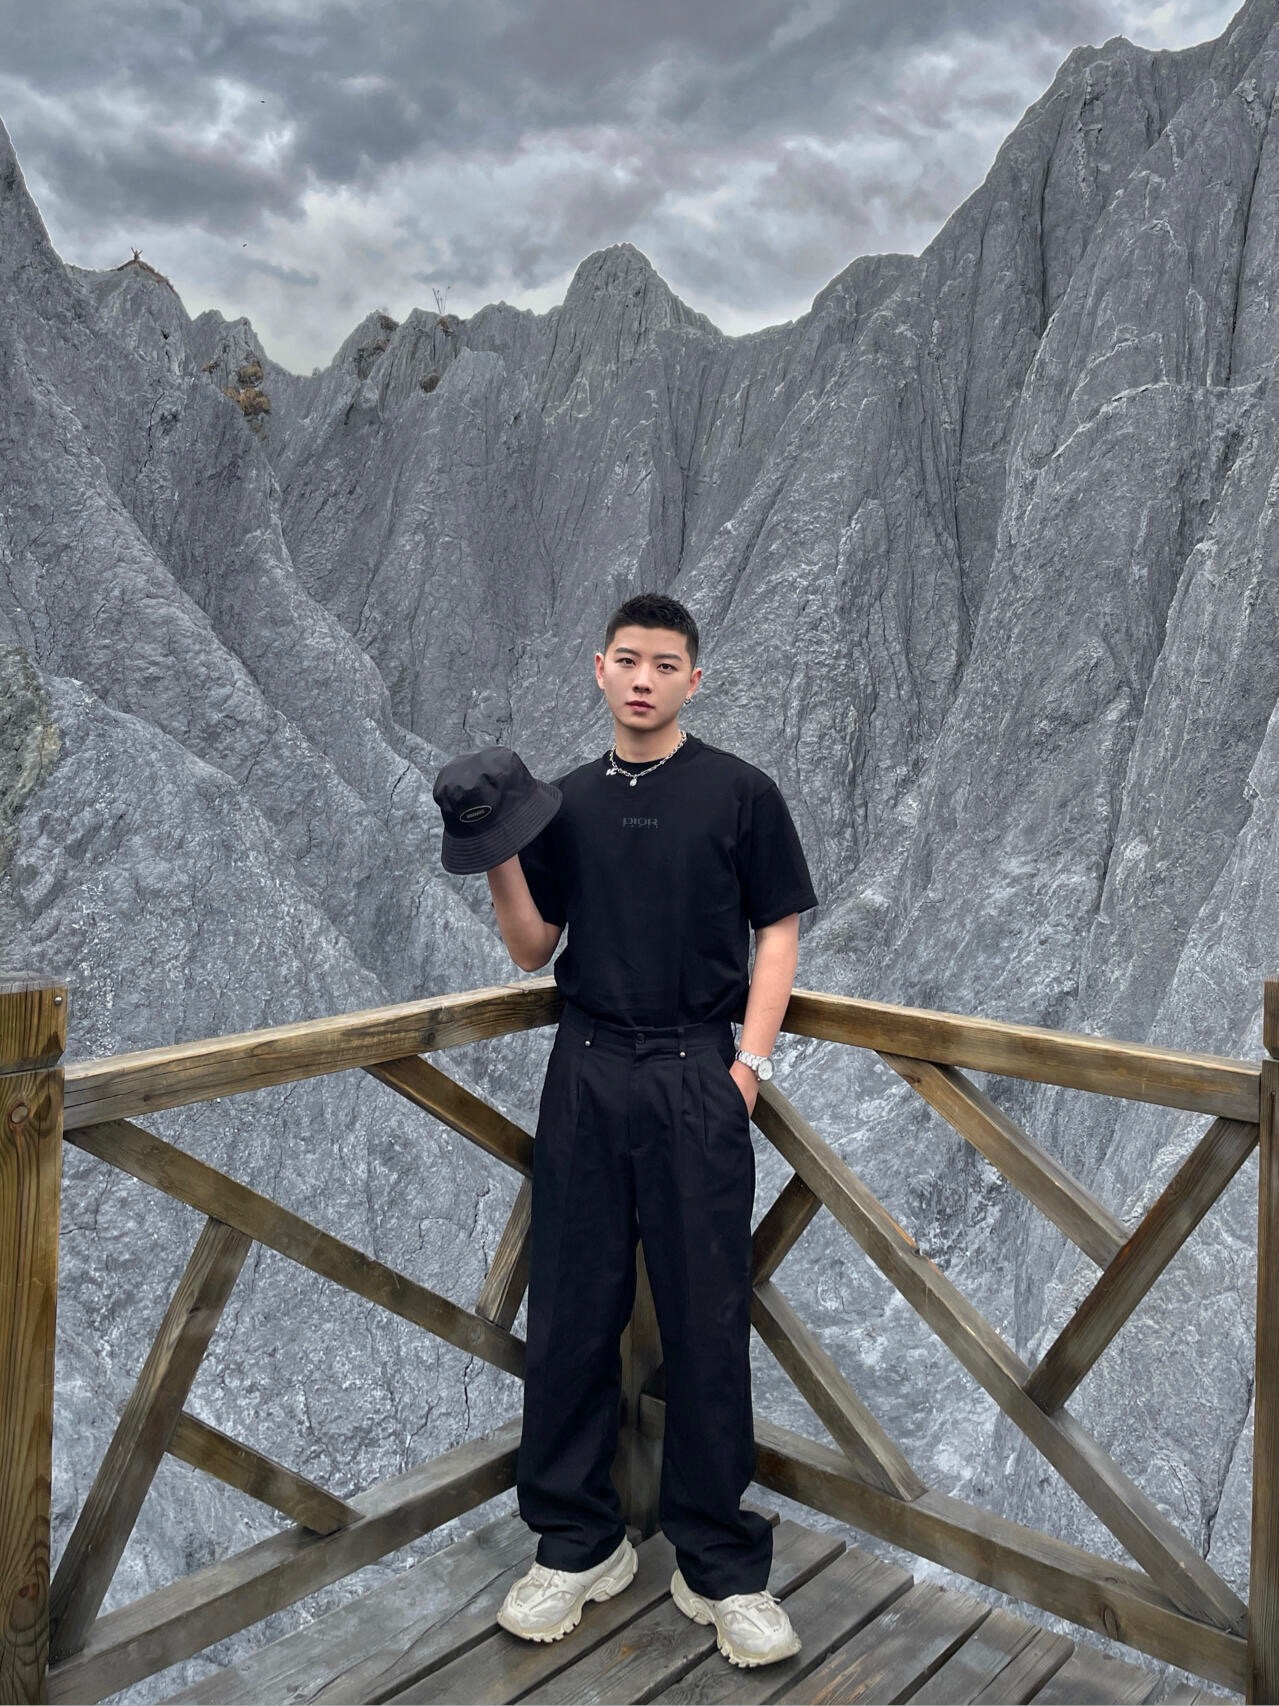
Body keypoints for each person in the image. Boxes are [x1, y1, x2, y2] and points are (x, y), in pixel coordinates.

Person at [484, 591, 818, 1669]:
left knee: (707, 1317)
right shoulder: (565, 803)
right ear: (599, 667)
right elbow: (532, 947)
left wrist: (749, 1066)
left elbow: (778, 927)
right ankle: (576, 1544)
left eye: (664, 664)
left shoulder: (739, 792)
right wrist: (496, 847)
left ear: (692, 680)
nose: (643, 678)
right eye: (627, 659)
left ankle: (718, 1562)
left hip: (695, 1070)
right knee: (570, 1309)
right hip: (585, 1067)